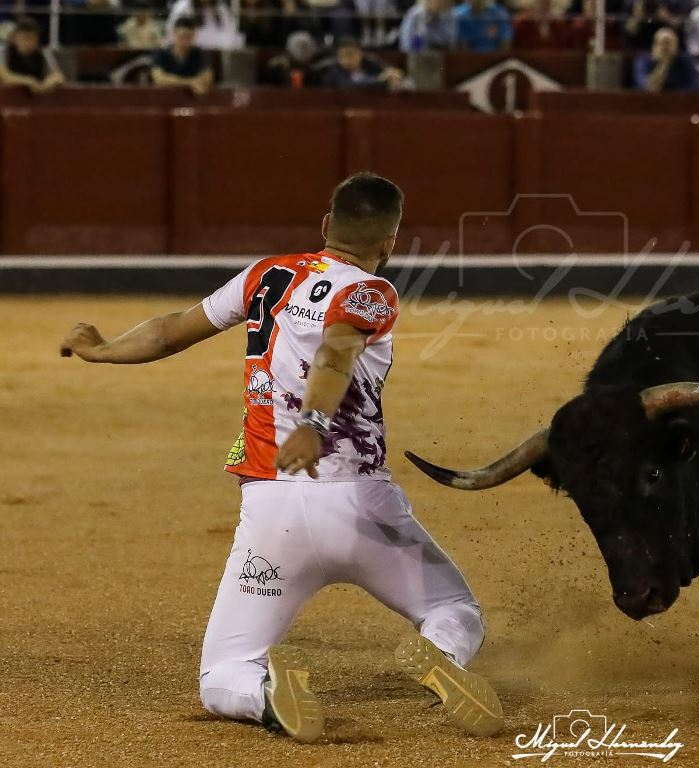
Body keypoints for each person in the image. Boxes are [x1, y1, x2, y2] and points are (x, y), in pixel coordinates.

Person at [58, 173, 503, 744]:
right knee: (454, 609)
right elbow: (337, 351)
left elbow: (169, 333)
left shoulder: (266, 275)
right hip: (364, 508)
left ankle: (265, 698)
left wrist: (101, 351)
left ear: (326, 224)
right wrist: (314, 424)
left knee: (223, 673)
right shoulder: (371, 292)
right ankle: (441, 654)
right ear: (391, 242)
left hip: (273, 513)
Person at [151, 16, 214, 96]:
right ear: (174, 33)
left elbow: (207, 78)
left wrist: (172, 80)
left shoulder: (200, 53)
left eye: (189, 38)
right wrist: (191, 82)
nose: (185, 42)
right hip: (165, 97)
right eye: (182, 37)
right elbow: (159, 79)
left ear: (194, 35)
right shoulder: (161, 53)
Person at [0, 17, 65, 93]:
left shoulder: (44, 53)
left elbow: (58, 76)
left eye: (33, 39)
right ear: (14, 38)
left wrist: (46, 84)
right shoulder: (3, 51)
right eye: (25, 38)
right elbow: (4, 77)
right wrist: (29, 81)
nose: (28, 43)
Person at [321, 37, 404, 90]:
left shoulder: (369, 63)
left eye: (350, 54)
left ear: (360, 53)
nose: (345, 59)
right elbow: (351, 86)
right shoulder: (334, 72)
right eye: (341, 56)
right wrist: (380, 79)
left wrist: (393, 77)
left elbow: (390, 70)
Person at [634, 27, 698, 91]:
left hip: (678, 96)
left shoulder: (685, 60)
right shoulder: (643, 60)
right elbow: (647, 87)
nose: (665, 47)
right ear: (655, 45)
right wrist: (664, 64)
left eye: (669, 43)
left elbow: (696, 83)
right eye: (663, 43)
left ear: (676, 46)